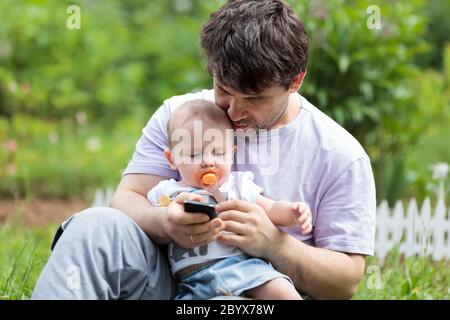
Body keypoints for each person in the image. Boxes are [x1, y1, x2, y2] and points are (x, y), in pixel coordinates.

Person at [32, 0, 375, 300]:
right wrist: (164, 222)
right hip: (171, 281)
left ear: (295, 81)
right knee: (94, 225)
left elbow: (345, 281)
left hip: (260, 289)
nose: (233, 111)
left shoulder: (340, 154)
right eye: (224, 89)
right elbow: (126, 199)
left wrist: (274, 244)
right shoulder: (179, 115)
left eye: (253, 98)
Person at [148, 99, 312, 299]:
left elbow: (270, 209)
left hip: (244, 267)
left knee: (281, 290)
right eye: (193, 154)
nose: (207, 161)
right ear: (172, 158)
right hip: (192, 282)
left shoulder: (237, 185)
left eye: (218, 152)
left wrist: (293, 212)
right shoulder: (166, 191)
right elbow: (149, 220)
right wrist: (164, 216)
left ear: (231, 154)